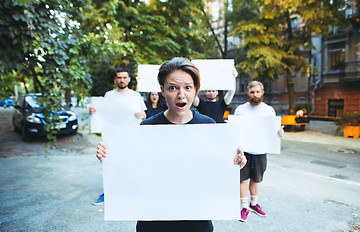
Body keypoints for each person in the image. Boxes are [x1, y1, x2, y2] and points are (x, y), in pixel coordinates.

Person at [96, 57, 247, 232]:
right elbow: (134, 168)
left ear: (196, 90)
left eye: (188, 87)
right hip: (154, 221)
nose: (181, 94)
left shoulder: (209, 127)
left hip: (197, 221)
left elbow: (217, 172)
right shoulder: (147, 127)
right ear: (162, 90)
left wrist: (236, 161)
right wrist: (109, 157)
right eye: (173, 88)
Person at [90, 67, 147, 206]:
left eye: (124, 77)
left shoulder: (135, 96)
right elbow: (103, 113)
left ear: (129, 79)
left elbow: (144, 114)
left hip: (131, 135)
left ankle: (132, 192)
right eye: (119, 77)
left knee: (132, 163)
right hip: (112, 135)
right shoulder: (109, 95)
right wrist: (94, 111)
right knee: (110, 163)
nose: (121, 80)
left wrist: (141, 115)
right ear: (116, 79)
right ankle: (108, 193)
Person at [234, 81, 284, 222]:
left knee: (256, 179)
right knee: (242, 179)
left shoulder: (269, 111)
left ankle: (253, 204)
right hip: (243, 152)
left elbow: (274, 132)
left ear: (262, 93)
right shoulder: (240, 110)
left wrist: (279, 132)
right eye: (252, 92)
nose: (254, 95)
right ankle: (244, 207)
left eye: (257, 92)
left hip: (260, 151)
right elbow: (235, 130)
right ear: (247, 93)